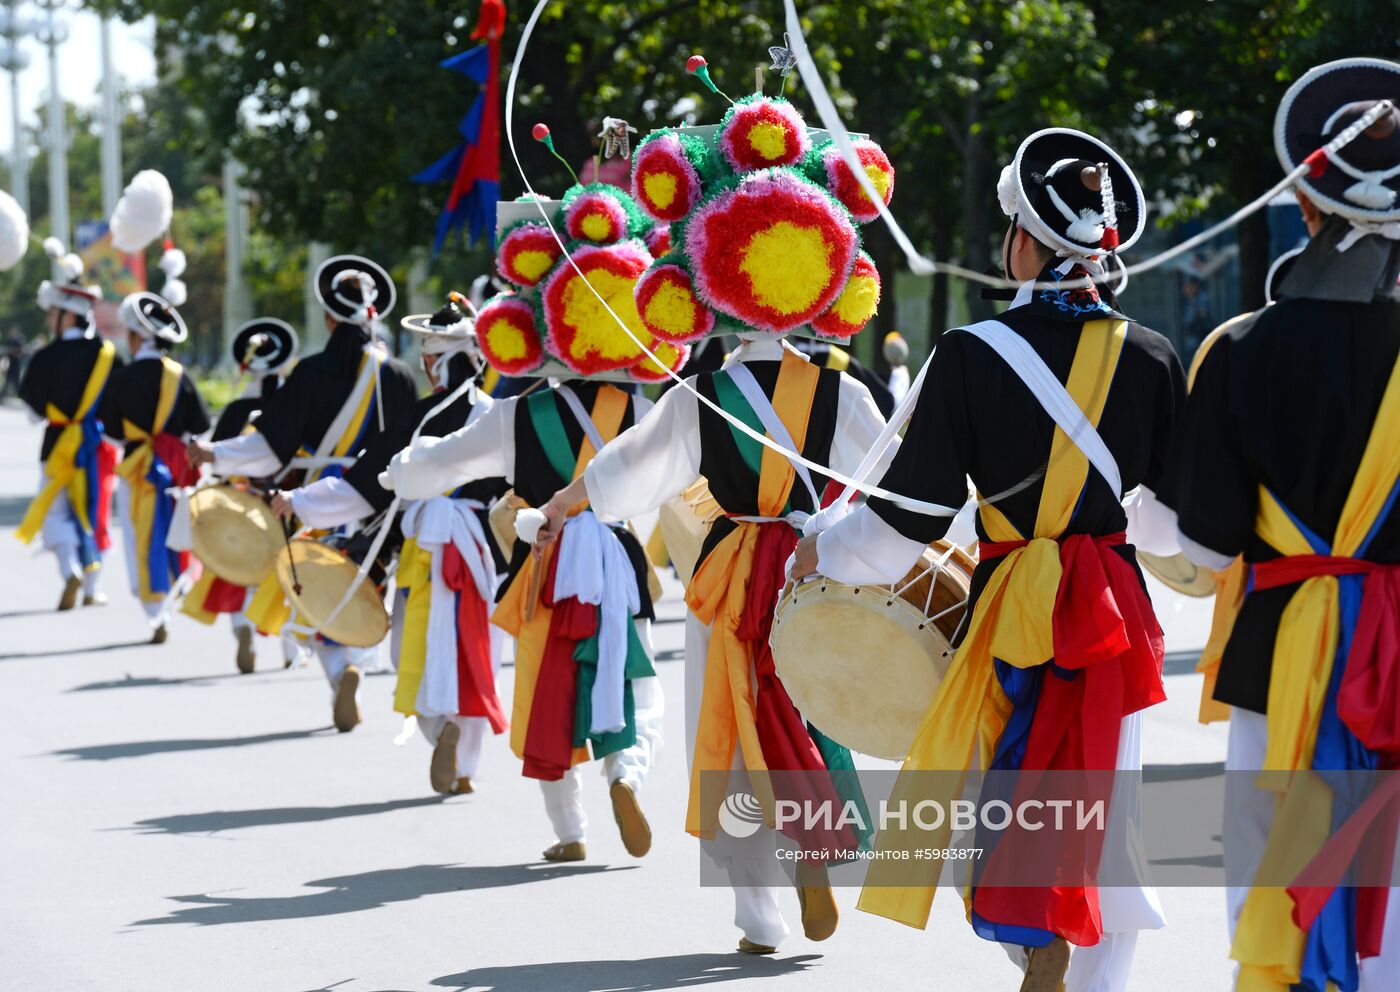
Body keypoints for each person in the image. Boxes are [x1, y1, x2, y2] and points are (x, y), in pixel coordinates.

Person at [794, 127, 1184, 991]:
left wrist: (821, 553)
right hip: (1114, 615)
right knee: (1106, 802)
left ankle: (1027, 937)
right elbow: (1169, 529)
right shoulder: (1154, 357)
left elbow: (907, 522)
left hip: (1009, 604)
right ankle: (1095, 971)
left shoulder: (971, 355)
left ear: (1028, 242)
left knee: (995, 789)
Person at [532, 93, 902, 954]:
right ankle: (823, 840)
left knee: (734, 726)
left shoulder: (701, 396)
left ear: (712, 280)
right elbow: (890, 477)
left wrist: (558, 508)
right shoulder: (844, 391)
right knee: (816, 710)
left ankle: (759, 916)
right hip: (819, 563)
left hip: (733, 566)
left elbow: (623, 474)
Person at [1161, 57, 1400, 992]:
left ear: (1305, 192)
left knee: (1269, 856)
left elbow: (1208, 547)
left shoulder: (1239, 348)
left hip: (1277, 653)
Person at [272, 294, 510, 795]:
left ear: (437, 361)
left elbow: (361, 491)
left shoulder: (419, 422)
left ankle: (436, 726)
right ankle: (465, 763)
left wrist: (297, 501)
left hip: (428, 550)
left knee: (413, 652)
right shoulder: (499, 415)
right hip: (484, 554)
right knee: (473, 651)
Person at [188, 255, 418, 731]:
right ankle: (351, 663)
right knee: (361, 583)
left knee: (314, 590)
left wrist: (214, 455)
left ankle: (340, 671)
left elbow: (270, 449)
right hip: (379, 501)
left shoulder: (310, 372)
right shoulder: (398, 374)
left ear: (330, 316)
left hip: (316, 499)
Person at [180, 318, 302, 673]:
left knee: (239, 569)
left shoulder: (236, 409)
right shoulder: (293, 405)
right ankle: (292, 650)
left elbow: (216, 463)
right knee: (290, 575)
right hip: (285, 502)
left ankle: (243, 628)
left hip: (241, 502)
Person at [103, 292, 210, 643]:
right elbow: (201, 422)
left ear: (136, 336)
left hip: (137, 467)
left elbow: (113, 431)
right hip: (176, 466)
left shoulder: (122, 377)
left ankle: (154, 609)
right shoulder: (180, 375)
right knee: (178, 529)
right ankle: (178, 586)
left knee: (139, 533)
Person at [15, 249, 118, 610]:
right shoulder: (107, 353)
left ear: (63, 315)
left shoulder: (44, 358)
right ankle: (93, 587)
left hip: (57, 443)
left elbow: (31, 413)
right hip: (97, 445)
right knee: (96, 511)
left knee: (55, 512)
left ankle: (70, 568)